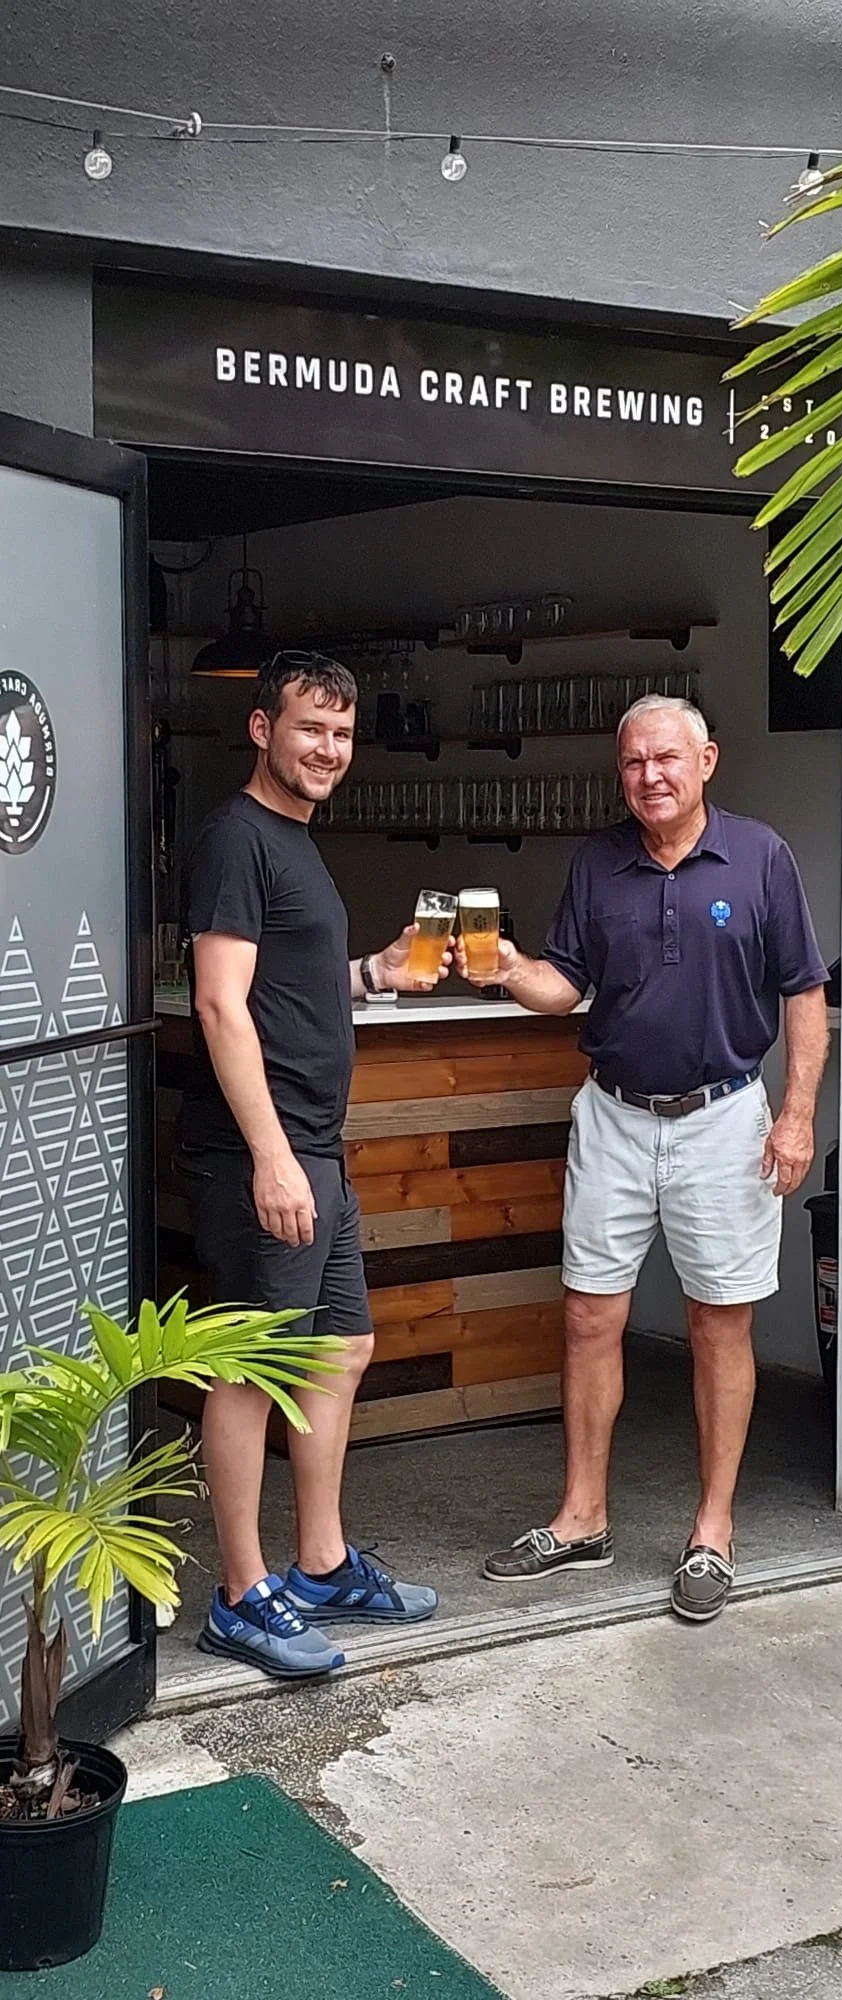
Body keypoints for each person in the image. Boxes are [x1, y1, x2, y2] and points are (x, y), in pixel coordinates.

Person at [457, 695, 829, 1623]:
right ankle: (582, 1520)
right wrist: (508, 971)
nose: (650, 777)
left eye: (666, 758)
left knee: (718, 1326)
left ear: (708, 758)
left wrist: (795, 1117)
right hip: (614, 1116)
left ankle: (713, 1531)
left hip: (724, 1117)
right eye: (632, 763)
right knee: (588, 1318)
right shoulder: (597, 860)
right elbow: (566, 984)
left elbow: (804, 995)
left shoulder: (762, 858)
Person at [178, 650, 445, 1679]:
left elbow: (284, 977)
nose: (327, 748)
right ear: (262, 730)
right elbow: (217, 1001)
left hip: (312, 1151)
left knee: (343, 1347)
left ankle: (323, 1561)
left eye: (340, 732)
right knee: (252, 1371)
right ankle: (242, 1593)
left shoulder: (292, 842)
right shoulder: (236, 837)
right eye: (308, 728)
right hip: (270, 1155)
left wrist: (375, 969)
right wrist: (273, 1157)